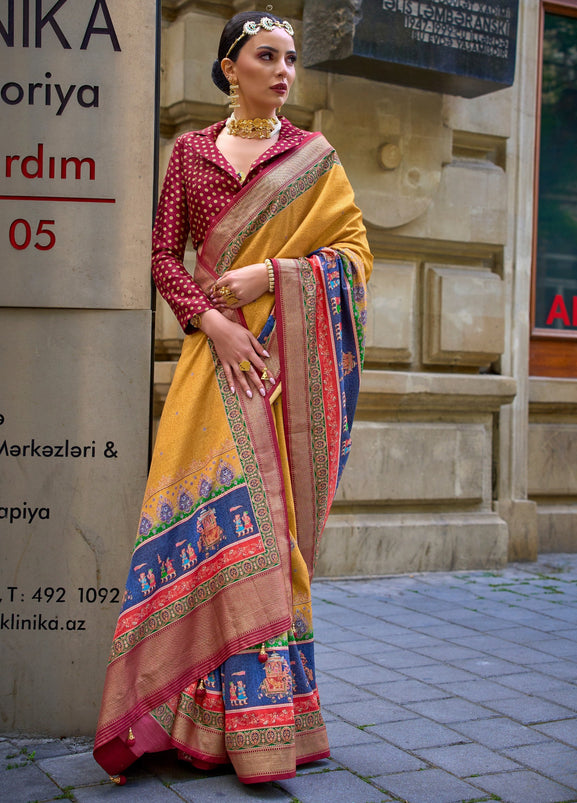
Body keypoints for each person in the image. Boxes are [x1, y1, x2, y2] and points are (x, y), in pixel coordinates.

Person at [93, 9, 372, 785]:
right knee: (207, 531)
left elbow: (352, 255)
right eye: (266, 56)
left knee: (266, 534)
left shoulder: (313, 158)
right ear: (229, 68)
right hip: (212, 368)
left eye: (290, 60)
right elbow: (160, 253)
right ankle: (180, 721)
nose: (283, 71)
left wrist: (274, 276)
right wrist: (212, 318)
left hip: (282, 371)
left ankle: (262, 730)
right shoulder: (189, 154)